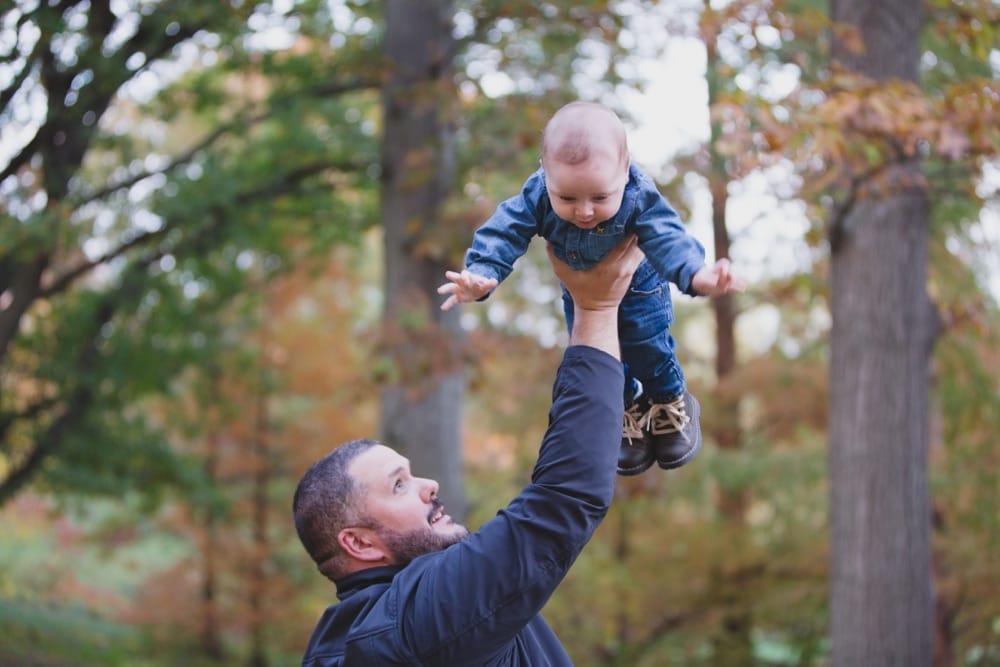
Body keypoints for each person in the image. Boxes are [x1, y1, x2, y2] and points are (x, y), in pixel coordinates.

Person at [293, 236, 644, 666]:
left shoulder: (345, 642)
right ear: (359, 544)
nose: (429, 485)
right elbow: (565, 499)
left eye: (411, 473)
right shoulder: (418, 620)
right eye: (399, 485)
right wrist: (595, 310)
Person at [438, 100, 745, 476]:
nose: (584, 211)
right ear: (545, 172)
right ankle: (628, 407)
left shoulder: (638, 193)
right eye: (566, 198)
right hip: (582, 293)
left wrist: (697, 275)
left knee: (647, 346)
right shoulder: (536, 194)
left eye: (600, 198)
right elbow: (505, 230)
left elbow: (668, 237)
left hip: (641, 290)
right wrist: (482, 272)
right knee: (603, 359)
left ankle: (668, 399)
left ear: (624, 168)